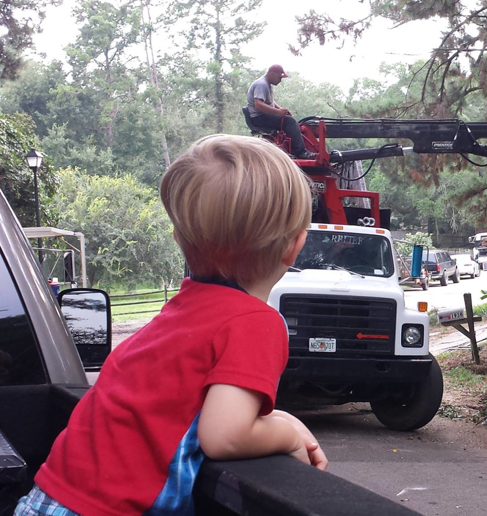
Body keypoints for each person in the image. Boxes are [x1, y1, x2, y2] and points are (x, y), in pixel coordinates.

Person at [16, 135, 327, 516]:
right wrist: (287, 435)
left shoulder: (180, 312)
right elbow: (224, 436)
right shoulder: (255, 322)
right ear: (296, 245)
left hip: (47, 500)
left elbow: (184, 406)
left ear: (179, 239)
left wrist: (278, 417)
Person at [246, 64, 315, 160]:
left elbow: (270, 101)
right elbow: (259, 105)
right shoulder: (261, 84)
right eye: (279, 77)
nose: (280, 80)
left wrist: (281, 109)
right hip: (259, 118)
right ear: (272, 73)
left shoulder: (266, 84)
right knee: (290, 122)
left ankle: (290, 150)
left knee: (289, 121)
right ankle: (301, 153)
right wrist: (278, 112)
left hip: (261, 116)